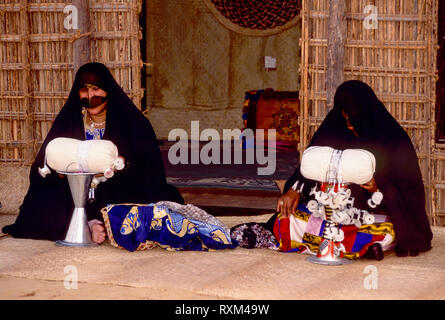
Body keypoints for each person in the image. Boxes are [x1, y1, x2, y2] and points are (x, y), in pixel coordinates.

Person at [2, 62, 184, 244]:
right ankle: (86, 225)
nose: (90, 97)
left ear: (108, 90)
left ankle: (88, 223)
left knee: (161, 201)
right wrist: (60, 172)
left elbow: (150, 170)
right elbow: (41, 167)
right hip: (74, 193)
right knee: (38, 203)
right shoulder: (70, 120)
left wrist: (122, 165)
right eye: (84, 91)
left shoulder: (133, 122)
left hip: (115, 190)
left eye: (96, 89)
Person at [276, 80, 433, 257]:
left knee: (389, 232)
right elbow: (311, 164)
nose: (349, 122)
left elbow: (409, 190)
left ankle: (355, 244)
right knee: (288, 219)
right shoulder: (336, 127)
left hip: (374, 212)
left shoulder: (393, 140)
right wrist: (294, 190)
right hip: (331, 211)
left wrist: (379, 187)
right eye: (345, 114)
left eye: (355, 116)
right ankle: (358, 246)